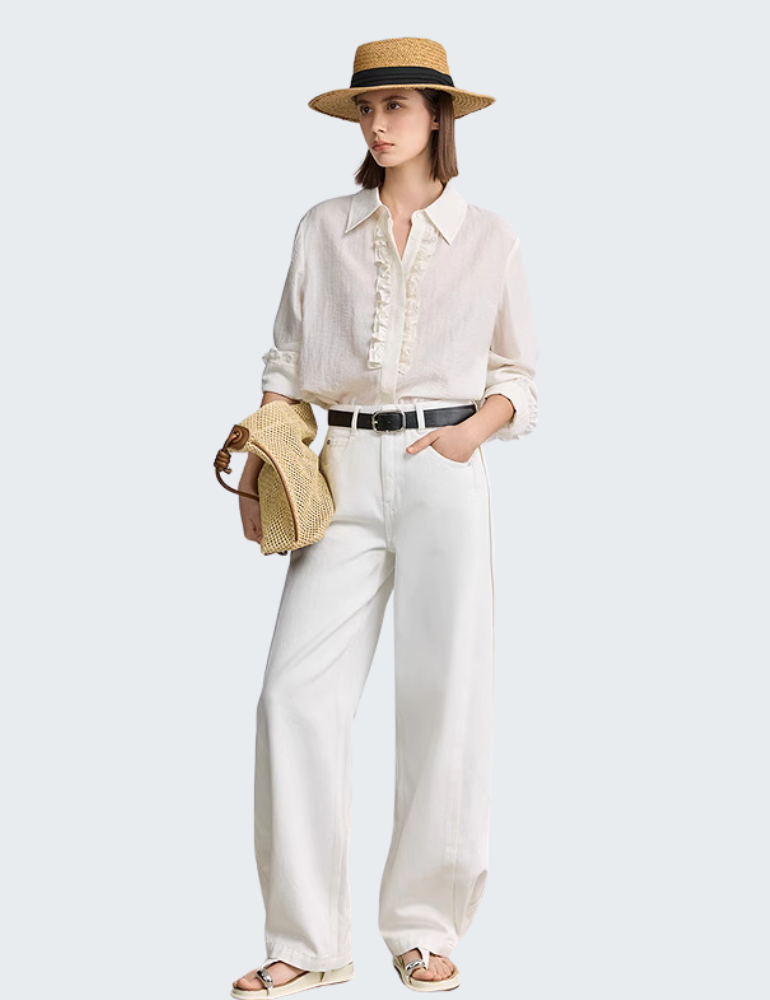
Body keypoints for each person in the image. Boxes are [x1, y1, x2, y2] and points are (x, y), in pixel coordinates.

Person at [231, 36, 539, 998]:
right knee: (293, 697)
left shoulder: (490, 236)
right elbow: (286, 364)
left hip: (443, 467)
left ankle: (422, 926)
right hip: (340, 470)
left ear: (439, 116)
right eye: (367, 108)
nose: (377, 123)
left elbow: (519, 376)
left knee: (445, 696)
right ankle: (307, 940)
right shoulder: (322, 228)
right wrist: (264, 462)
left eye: (396, 105)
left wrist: (469, 433)